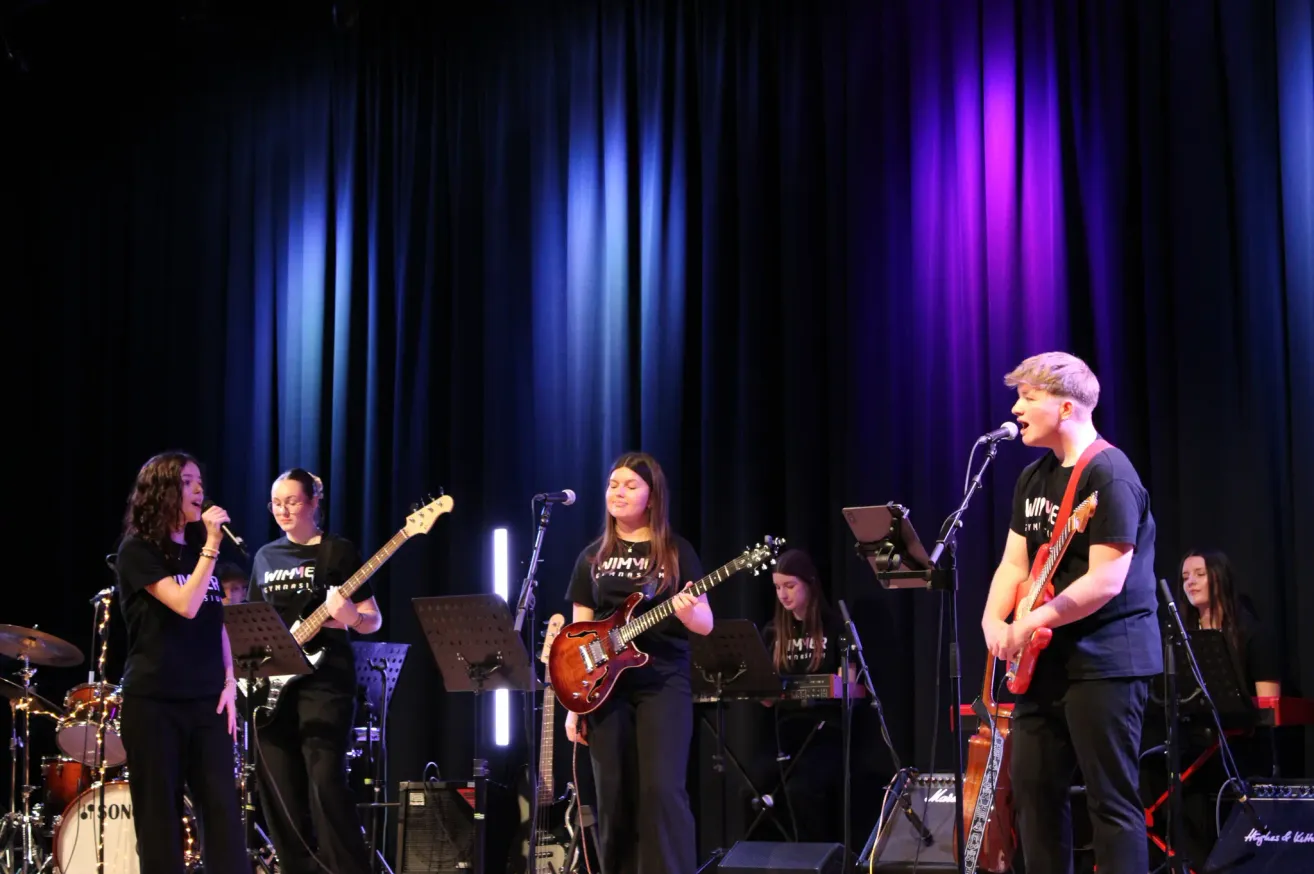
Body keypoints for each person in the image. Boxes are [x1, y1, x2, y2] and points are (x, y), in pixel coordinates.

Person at [980, 352, 1161, 874]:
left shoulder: (1109, 473)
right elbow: (1013, 563)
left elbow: (1106, 580)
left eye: (1027, 398)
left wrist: (1028, 623)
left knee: (1111, 804)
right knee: (1035, 799)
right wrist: (994, 623)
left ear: (1064, 408)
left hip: (1106, 659)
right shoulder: (1032, 478)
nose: (1015, 409)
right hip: (1042, 665)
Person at [563, 452, 712, 874]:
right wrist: (574, 705)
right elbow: (578, 638)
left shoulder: (676, 551)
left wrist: (686, 612)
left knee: (662, 791)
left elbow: (705, 623)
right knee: (612, 795)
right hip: (605, 692)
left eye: (631, 485)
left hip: (663, 683)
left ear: (652, 497)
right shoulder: (591, 557)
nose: (619, 493)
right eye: (614, 485)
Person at [113, 451, 247, 874]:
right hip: (154, 702)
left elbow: (215, 621)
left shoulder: (195, 554)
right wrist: (211, 545)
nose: (199, 490)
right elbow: (185, 605)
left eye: (199, 481)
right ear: (164, 491)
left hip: (208, 701)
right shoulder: (137, 551)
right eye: (188, 482)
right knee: (160, 822)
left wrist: (230, 680)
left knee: (224, 813)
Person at [248, 468, 382, 874]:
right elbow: (253, 622)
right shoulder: (265, 556)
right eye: (275, 503)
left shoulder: (337, 552)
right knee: (281, 794)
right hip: (271, 688)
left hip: (325, 684)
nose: (282, 510)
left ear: (313, 503)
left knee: (326, 785)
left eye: (291, 501)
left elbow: (372, 618)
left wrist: (348, 618)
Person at [752, 548, 851, 843]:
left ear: (809, 583)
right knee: (754, 786)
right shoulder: (773, 633)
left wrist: (825, 686)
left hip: (824, 730)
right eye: (778, 587)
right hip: (785, 732)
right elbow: (767, 700)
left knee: (802, 790)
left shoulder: (835, 627)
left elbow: (854, 687)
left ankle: (814, 860)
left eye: (790, 586)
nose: (783, 595)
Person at [1177, 549, 1280, 697]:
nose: (1190, 582)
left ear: (1221, 579)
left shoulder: (1254, 634)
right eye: (1185, 578)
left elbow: (1268, 706)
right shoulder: (1183, 635)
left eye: (1200, 574)